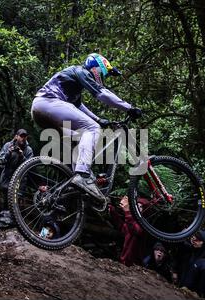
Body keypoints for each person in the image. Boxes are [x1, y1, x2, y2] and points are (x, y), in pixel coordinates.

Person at [31, 53, 142, 203]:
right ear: (97, 68)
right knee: (92, 129)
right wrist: (129, 108)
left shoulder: (73, 82)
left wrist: (98, 119)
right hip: (49, 103)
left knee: (78, 138)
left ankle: (72, 182)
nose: (104, 78)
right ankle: (82, 175)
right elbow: (102, 93)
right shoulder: (81, 71)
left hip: (40, 110)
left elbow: (78, 106)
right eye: (105, 73)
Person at [174, 230, 205, 299]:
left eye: (198, 240)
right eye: (195, 238)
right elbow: (181, 245)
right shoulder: (195, 252)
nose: (194, 240)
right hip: (179, 291)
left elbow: (203, 293)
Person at [0, 129, 34, 209]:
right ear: (16, 136)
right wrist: (8, 153)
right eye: (21, 136)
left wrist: (22, 156)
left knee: (17, 206)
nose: (23, 138)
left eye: (25, 137)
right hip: (7, 180)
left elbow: (29, 167)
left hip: (20, 183)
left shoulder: (28, 150)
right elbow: (1, 161)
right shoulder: (8, 145)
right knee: (6, 204)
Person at [109, 196, 149, 267]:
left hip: (135, 265)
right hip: (125, 263)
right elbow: (122, 228)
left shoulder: (144, 224)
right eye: (137, 206)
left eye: (141, 207)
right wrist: (113, 212)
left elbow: (137, 230)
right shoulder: (132, 220)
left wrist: (127, 212)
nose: (138, 208)